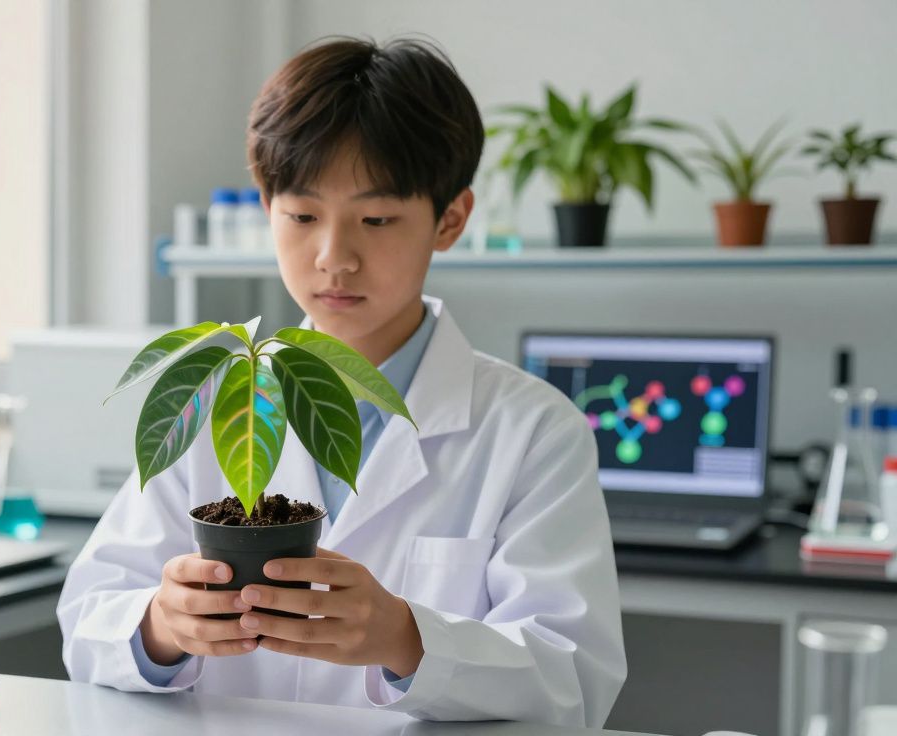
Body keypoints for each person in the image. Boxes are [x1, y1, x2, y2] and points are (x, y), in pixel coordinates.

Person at [58, 36, 626, 727]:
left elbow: (571, 678)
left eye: (377, 219)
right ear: (267, 208)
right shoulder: (215, 405)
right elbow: (90, 617)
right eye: (301, 216)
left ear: (450, 219)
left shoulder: (533, 432)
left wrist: (404, 638)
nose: (334, 258)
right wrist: (160, 626)